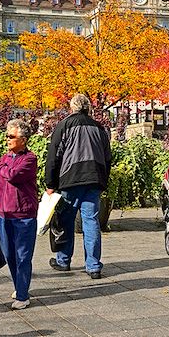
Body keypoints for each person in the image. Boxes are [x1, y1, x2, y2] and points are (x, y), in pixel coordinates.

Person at [45, 94, 111, 279]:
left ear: (72, 107)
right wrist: (103, 180)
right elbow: (107, 157)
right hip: (94, 179)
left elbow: (54, 156)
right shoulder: (99, 128)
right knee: (91, 222)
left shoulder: (64, 125)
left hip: (71, 179)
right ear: (88, 108)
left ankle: (63, 261)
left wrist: (50, 183)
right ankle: (93, 266)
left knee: (66, 220)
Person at [0, 120, 38, 310]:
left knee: (23, 255)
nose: (7, 139)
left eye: (12, 136)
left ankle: (23, 294)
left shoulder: (29, 159)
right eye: (7, 136)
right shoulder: (5, 158)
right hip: (4, 213)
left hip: (23, 214)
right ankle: (19, 286)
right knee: (9, 254)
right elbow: (1, 185)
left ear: (23, 140)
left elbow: (12, 175)